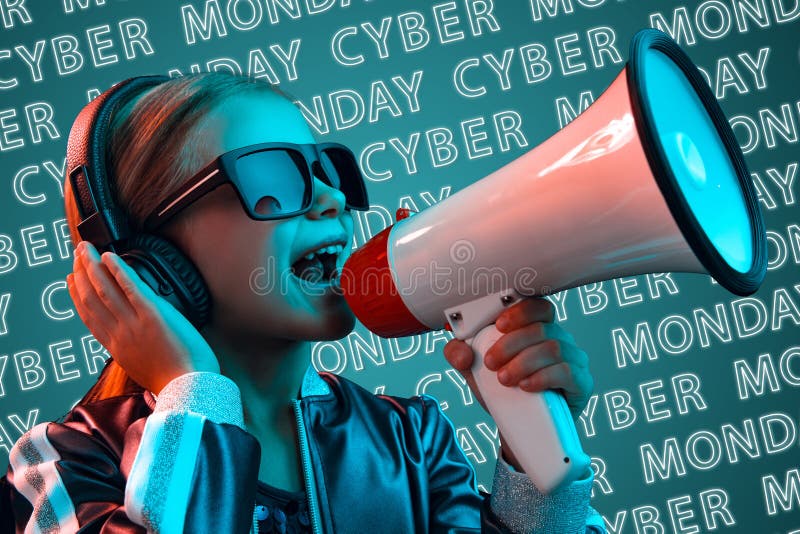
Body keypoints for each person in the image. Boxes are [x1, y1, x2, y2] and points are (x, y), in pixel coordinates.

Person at [1, 73, 606, 533]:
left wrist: (534, 460)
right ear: (154, 261)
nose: (331, 199)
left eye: (330, 170)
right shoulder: (57, 463)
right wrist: (193, 392)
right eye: (273, 178)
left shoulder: (410, 438)